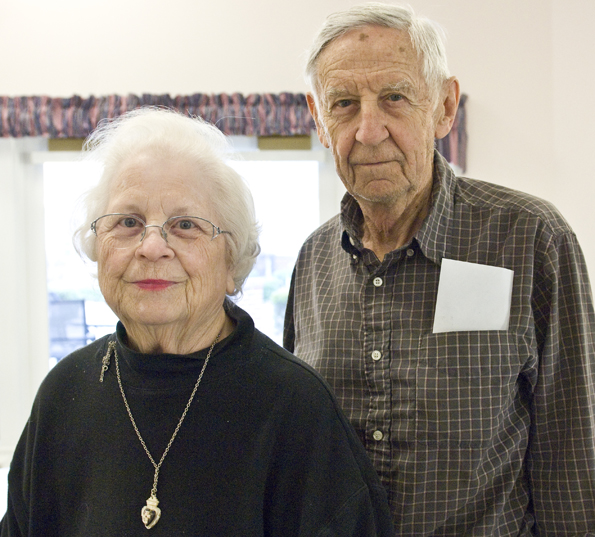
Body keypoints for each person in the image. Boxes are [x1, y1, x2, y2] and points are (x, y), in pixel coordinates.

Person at [1, 108, 394, 536]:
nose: (152, 246)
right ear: (99, 249)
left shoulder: (295, 406)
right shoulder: (64, 393)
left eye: (185, 225)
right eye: (128, 222)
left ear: (232, 262)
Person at [284, 2, 595, 535]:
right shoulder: (313, 262)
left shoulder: (532, 240)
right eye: (343, 104)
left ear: (444, 107)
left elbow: (572, 458)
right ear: (317, 118)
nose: (368, 130)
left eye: (394, 98)